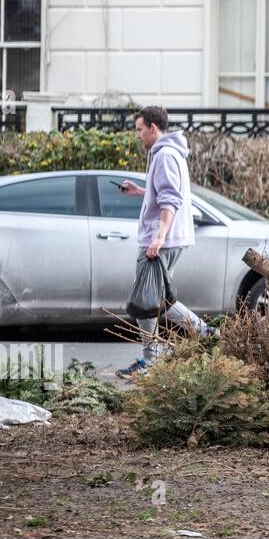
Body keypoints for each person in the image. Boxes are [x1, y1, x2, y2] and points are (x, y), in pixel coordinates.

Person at [116, 106, 212, 379]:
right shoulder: (168, 153)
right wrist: (140, 192)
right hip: (168, 239)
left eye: (139, 129)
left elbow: (171, 199)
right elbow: (164, 192)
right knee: (157, 298)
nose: (138, 136)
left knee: (146, 300)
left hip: (162, 240)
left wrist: (158, 237)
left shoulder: (165, 156)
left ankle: (152, 360)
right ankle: (204, 334)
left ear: (153, 128)